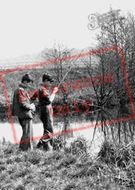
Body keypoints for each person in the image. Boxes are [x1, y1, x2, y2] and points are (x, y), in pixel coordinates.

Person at [31, 73, 58, 150]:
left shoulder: (39, 89)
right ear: (45, 81)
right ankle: (40, 145)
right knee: (49, 131)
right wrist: (54, 92)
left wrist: (32, 106)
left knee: (46, 129)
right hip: (46, 110)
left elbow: (31, 99)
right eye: (49, 81)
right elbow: (49, 100)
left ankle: (47, 148)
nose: (50, 83)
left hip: (42, 110)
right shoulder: (43, 90)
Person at [12, 74, 35, 151]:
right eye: (28, 83)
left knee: (26, 133)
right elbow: (23, 103)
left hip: (23, 115)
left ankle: (23, 150)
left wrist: (31, 103)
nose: (29, 85)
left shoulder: (20, 90)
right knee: (27, 134)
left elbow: (24, 102)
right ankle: (26, 151)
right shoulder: (21, 90)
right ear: (25, 81)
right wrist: (31, 107)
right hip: (25, 115)